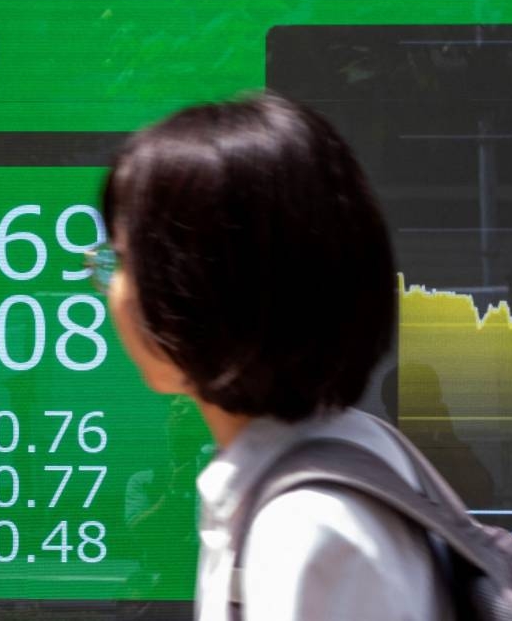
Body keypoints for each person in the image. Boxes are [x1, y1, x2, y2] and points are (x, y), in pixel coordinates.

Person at [92, 93, 455, 620]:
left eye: (122, 259)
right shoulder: (359, 448)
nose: (110, 287)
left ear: (201, 286)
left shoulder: (309, 535)